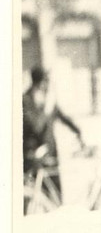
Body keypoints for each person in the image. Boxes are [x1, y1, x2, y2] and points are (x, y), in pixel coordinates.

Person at [22, 66, 86, 202]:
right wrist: (46, 110)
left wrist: (78, 131)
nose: (48, 85)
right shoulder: (26, 101)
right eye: (46, 81)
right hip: (33, 156)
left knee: (56, 196)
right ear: (38, 82)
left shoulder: (47, 99)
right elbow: (35, 127)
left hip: (50, 154)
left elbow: (63, 118)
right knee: (33, 197)